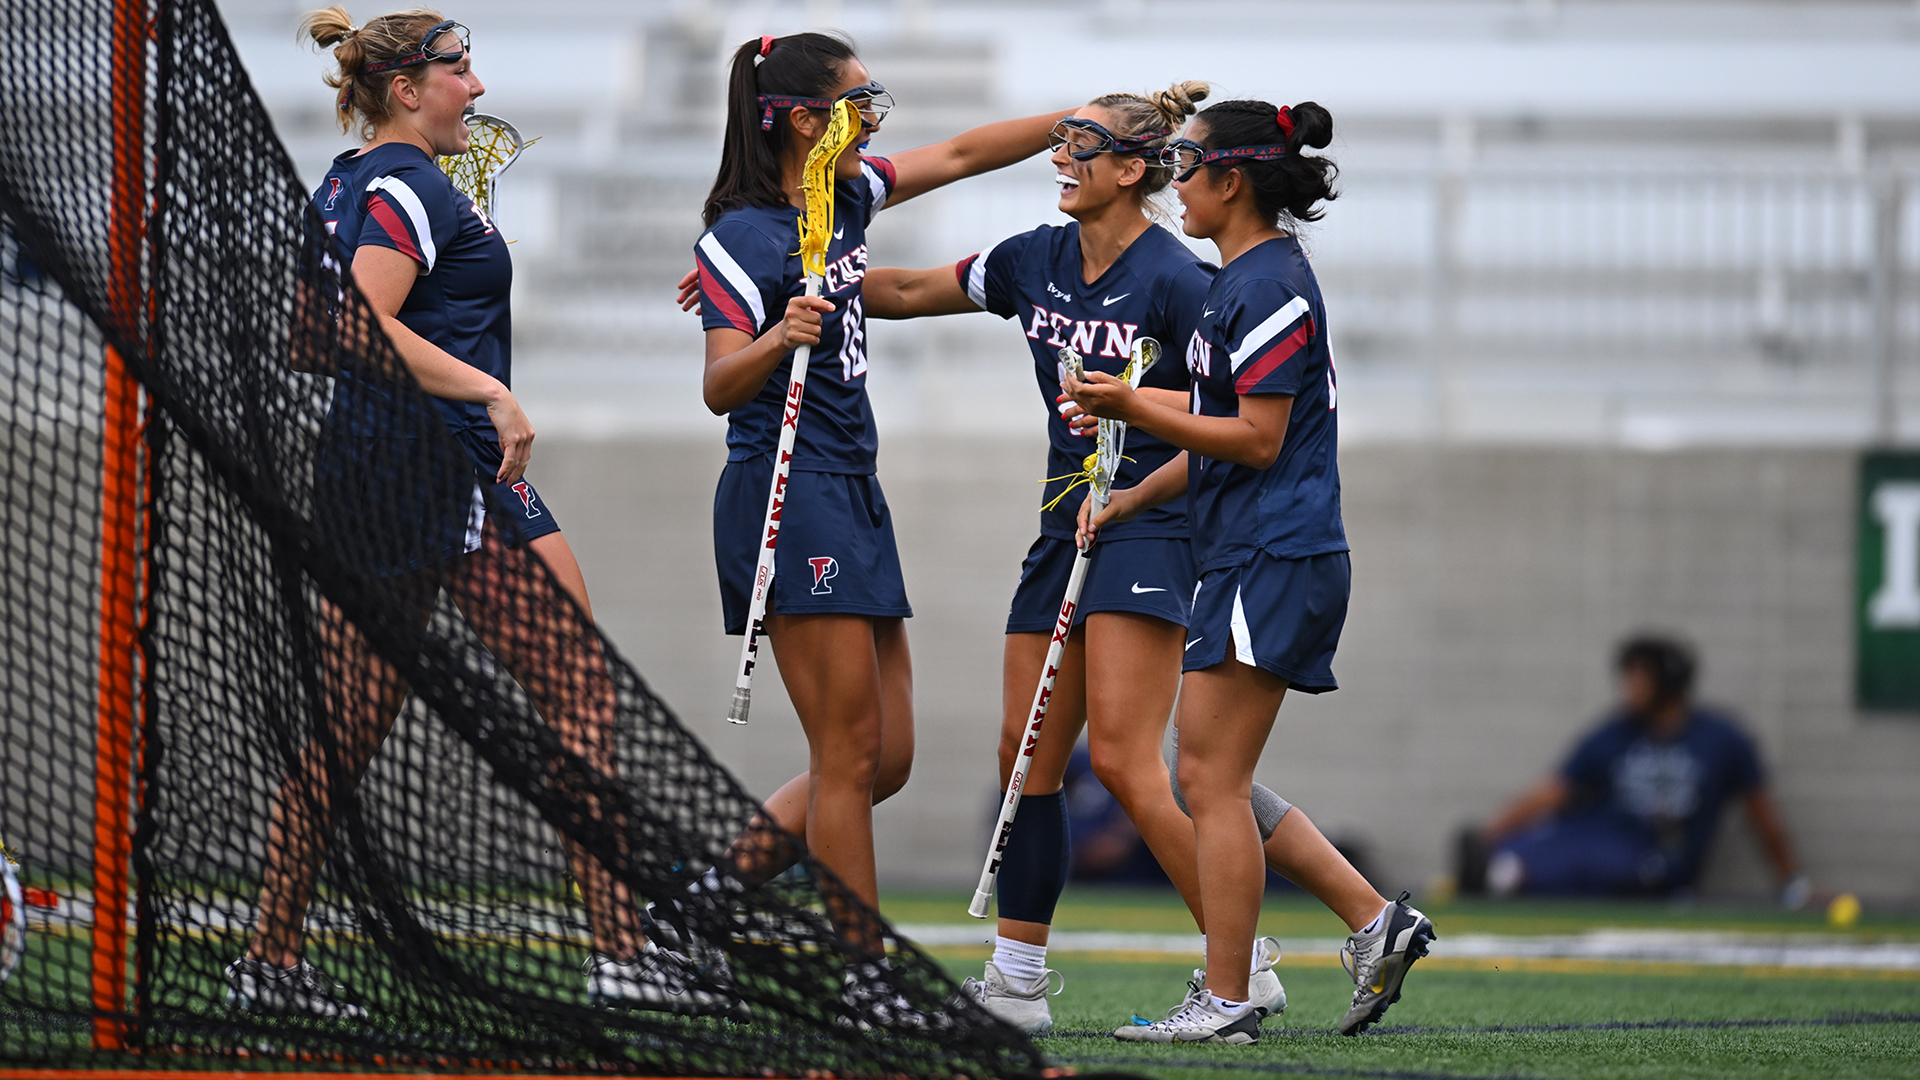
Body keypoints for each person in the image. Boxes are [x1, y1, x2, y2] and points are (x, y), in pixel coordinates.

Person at [228, 7, 729, 1020]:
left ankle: (268, 963)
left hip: (386, 467)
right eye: (460, 69)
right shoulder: (406, 183)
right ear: (407, 87)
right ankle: (622, 955)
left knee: (349, 731)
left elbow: (311, 332)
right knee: (583, 697)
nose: (481, 87)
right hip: (437, 465)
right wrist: (488, 390)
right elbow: (341, 328)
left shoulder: (347, 177)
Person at [857, 83, 1357, 1036]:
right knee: (1025, 754)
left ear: (1135, 168)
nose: (1059, 159)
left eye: (1078, 146)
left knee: (1130, 763)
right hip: (1069, 519)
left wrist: (1133, 462)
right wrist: (810, 281)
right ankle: (1015, 978)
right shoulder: (1033, 260)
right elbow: (914, 291)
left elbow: (1236, 423)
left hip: (1154, 523)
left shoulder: (1183, 278)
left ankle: (1237, 961)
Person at [686, 30, 1067, 1020]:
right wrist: (781, 334)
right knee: (847, 756)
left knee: (884, 759)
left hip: (854, 484)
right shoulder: (740, 235)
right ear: (805, 119)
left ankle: (702, 905)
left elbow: (964, 156)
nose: (878, 117)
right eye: (861, 102)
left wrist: (1077, 123)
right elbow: (721, 385)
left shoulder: (844, 196)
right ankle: (865, 977)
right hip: (786, 485)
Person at [1065, 97, 1435, 1043]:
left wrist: (1137, 408)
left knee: (1209, 783)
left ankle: (1228, 997)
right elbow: (1225, 441)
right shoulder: (1243, 278)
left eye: (1183, 165)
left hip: (1273, 550)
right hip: (1255, 549)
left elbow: (1259, 439)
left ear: (1232, 179)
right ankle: (1371, 921)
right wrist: (1127, 501)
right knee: (1213, 773)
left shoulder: (1262, 283)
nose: (1171, 182)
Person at [1465, 635, 1805, 902]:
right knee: (1553, 840)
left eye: (1637, 677)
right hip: (1598, 836)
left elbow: (1761, 813)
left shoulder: (1721, 739)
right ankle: (1497, 868)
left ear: (1668, 679)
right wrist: (1491, 833)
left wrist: (1792, 884)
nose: (1628, 687)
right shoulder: (1614, 732)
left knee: (1599, 861)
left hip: (1656, 857)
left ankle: (1503, 876)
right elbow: (1554, 791)